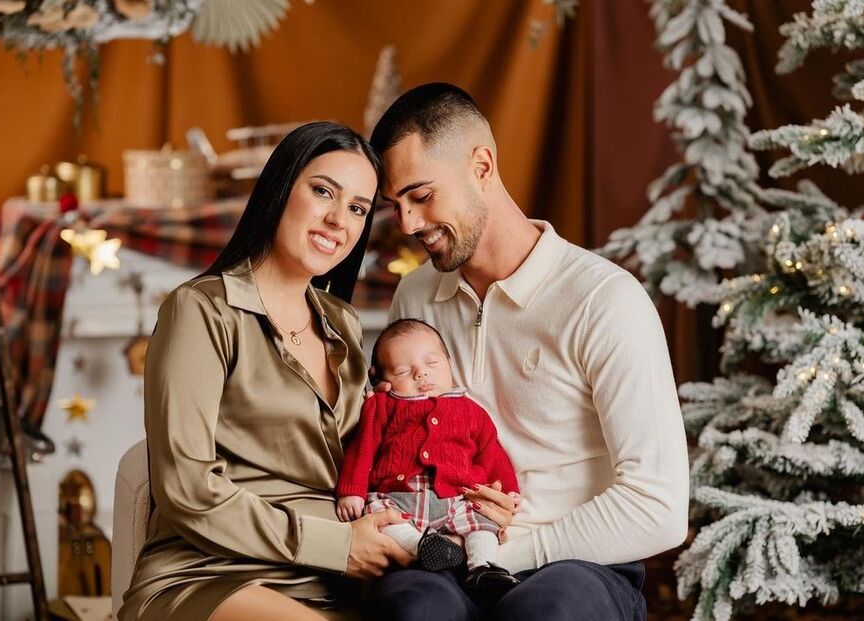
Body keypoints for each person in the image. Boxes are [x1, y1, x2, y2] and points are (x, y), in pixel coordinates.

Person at [365, 83, 690, 620]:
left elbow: (658, 508)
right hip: (439, 551)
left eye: (421, 196)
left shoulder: (604, 300)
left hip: (578, 565)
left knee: (545, 612)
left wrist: (503, 556)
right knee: (411, 610)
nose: (408, 226)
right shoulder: (416, 295)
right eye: (395, 205)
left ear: (483, 166)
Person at [118, 122, 413, 621]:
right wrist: (334, 544)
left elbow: (369, 458)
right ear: (281, 188)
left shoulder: (342, 323)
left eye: (358, 208)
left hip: (336, 580)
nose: (338, 219)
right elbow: (186, 488)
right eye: (323, 191)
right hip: (214, 573)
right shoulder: (201, 310)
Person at [336, 318, 521, 587]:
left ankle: (484, 568)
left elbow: (490, 452)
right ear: (382, 379)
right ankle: (421, 546)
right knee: (377, 512)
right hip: (399, 497)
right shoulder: (383, 406)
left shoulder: (470, 410)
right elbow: (363, 448)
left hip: (456, 496)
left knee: (481, 522)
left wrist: (508, 490)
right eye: (402, 371)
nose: (421, 374)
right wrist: (351, 490)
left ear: (449, 363)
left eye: (432, 364)